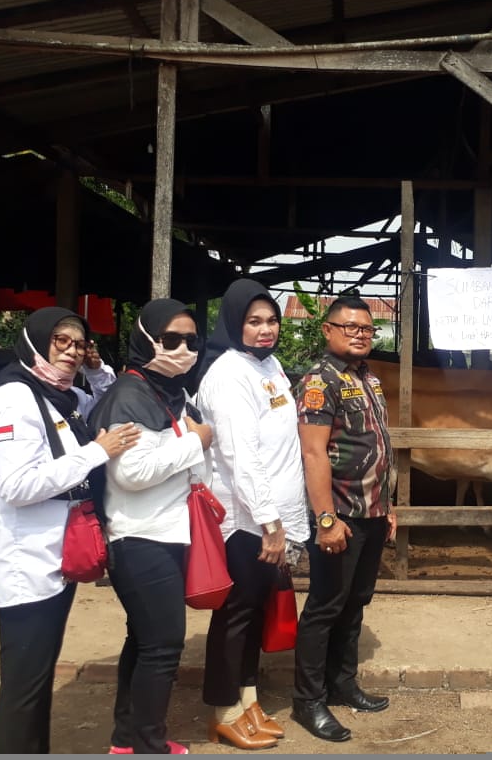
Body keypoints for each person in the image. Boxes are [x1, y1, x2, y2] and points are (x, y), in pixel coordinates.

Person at [0, 307, 141, 753]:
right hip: (24, 554)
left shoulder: (60, 396)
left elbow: (104, 401)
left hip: (54, 551)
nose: (71, 350)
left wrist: (97, 369)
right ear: (35, 342)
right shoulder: (15, 398)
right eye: (60, 340)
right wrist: (96, 453)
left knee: (39, 673)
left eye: (78, 343)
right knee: (25, 683)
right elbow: (16, 485)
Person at [90, 298, 213, 755]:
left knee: (143, 640)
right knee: (163, 646)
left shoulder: (171, 393)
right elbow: (131, 473)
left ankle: (127, 740)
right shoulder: (130, 395)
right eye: (171, 339)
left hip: (164, 531)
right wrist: (196, 443)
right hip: (139, 537)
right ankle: (148, 743)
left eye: (191, 341)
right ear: (146, 340)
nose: (183, 350)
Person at [195, 280, 310, 750]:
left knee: (255, 611)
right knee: (236, 616)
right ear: (234, 323)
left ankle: (249, 701)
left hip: (273, 515)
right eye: (254, 322)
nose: (266, 330)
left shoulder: (269, 366)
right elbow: (242, 457)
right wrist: (270, 523)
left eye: (272, 321)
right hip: (246, 521)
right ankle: (224, 712)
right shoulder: (228, 374)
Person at [290, 295, 397, 742]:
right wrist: (326, 519)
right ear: (328, 330)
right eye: (350, 326)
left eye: (366, 329)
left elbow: (379, 445)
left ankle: (342, 683)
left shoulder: (368, 378)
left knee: (355, 602)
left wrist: (387, 507)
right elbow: (313, 453)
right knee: (325, 606)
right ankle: (308, 700)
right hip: (341, 515)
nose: (359, 334)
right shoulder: (320, 381)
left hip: (372, 512)